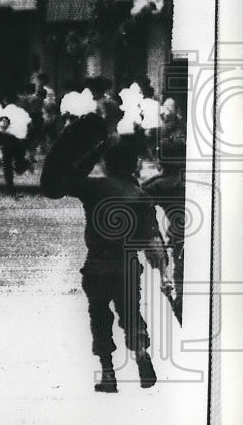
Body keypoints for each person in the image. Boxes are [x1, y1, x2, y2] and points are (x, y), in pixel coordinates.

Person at [43, 135, 169, 392]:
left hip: (97, 265)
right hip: (128, 266)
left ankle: (109, 375)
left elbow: (62, 181)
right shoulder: (140, 195)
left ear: (107, 164)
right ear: (133, 166)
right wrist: (165, 274)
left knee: (99, 317)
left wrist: (93, 152)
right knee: (131, 314)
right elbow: (153, 241)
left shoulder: (94, 188)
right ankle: (142, 355)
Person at [142, 137, 187, 321]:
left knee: (184, 296)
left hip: (182, 243)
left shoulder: (158, 185)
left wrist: (162, 271)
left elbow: (142, 219)